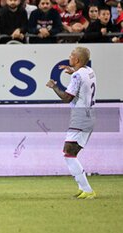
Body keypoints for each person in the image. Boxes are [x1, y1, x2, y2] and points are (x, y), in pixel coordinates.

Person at [46, 47, 96, 199]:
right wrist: (73, 71)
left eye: (72, 55)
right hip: (89, 115)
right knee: (70, 153)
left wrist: (54, 86)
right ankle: (83, 189)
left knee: (68, 153)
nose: (69, 56)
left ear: (77, 60)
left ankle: (87, 190)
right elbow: (82, 80)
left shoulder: (77, 76)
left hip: (80, 117)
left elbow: (67, 97)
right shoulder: (89, 71)